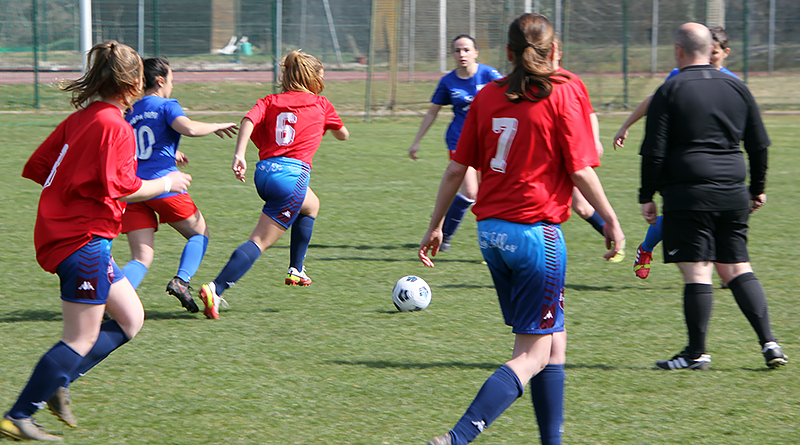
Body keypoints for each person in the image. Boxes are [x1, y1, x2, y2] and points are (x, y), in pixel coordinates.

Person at [419, 13, 624, 445]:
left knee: (554, 342)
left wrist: (436, 226)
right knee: (531, 355)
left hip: (491, 233)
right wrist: (611, 221)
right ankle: (456, 438)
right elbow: (581, 170)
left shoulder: (488, 97)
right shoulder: (563, 93)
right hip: (536, 236)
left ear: (508, 54)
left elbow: (457, 168)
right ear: (557, 51)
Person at [0, 41, 192, 442]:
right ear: (135, 80)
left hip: (69, 232)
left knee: (131, 318)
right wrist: (167, 181)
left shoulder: (84, 118)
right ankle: (19, 414)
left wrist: (70, 192)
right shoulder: (113, 125)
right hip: (81, 239)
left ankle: (59, 376)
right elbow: (120, 188)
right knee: (80, 337)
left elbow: (38, 166)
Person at [639, 23, 788, 370]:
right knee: (737, 267)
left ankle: (696, 353)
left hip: (689, 192)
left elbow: (654, 152)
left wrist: (647, 195)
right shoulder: (738, 87)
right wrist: (757, 188)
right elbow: (759, 144)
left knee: (698, 273)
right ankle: (770, 343)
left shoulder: (670, 89)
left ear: (678, 51)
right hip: (733, 190)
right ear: (711, 49)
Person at [197, 50, 349, 319]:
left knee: (311, 205)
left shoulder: (270, 100)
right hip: (292, 178)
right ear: (313, 78)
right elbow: (343, 135)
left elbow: (248, 120)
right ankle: (216, 289)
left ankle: (296, 269)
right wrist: (333, 127)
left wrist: (239, 155)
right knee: (258, 241)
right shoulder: (322, 104)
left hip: (264, 173)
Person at [614, 27, 737, 279]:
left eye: (715, 53)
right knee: (679, 215)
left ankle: (725, 273)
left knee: (714, 216)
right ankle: (648, 249)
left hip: (717, 163)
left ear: (725, 53)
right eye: (708, 51)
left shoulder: (731, 83)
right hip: (681, 159)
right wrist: (626, 125)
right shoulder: (679, 75)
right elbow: (654, 100)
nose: (710, 57)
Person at [121, 57, 237, 313]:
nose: (172, 85)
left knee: (141, 257)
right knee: (199, 233)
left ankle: (111, 301)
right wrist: (217, 125)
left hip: (134, 190)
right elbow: (189, 128)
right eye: (171, 79)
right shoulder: (166, 105)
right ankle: (181, 280)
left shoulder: (130, 110)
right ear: (160, 80)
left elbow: (131, 147)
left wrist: (168, 152)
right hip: (165, 186)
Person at [408, 35, 502, 252]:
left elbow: (509, 97)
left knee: (484, 194)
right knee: (470, 192)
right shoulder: (448, 81)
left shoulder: (490, 74)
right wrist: (417, 141)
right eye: (457, 50)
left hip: (488, 141)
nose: (462, 54)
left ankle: (444, 221)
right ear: (452, 54)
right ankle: (444, 234)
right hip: (459, 140)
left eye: (466, 50)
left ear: (476, 52)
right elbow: (432, 112)